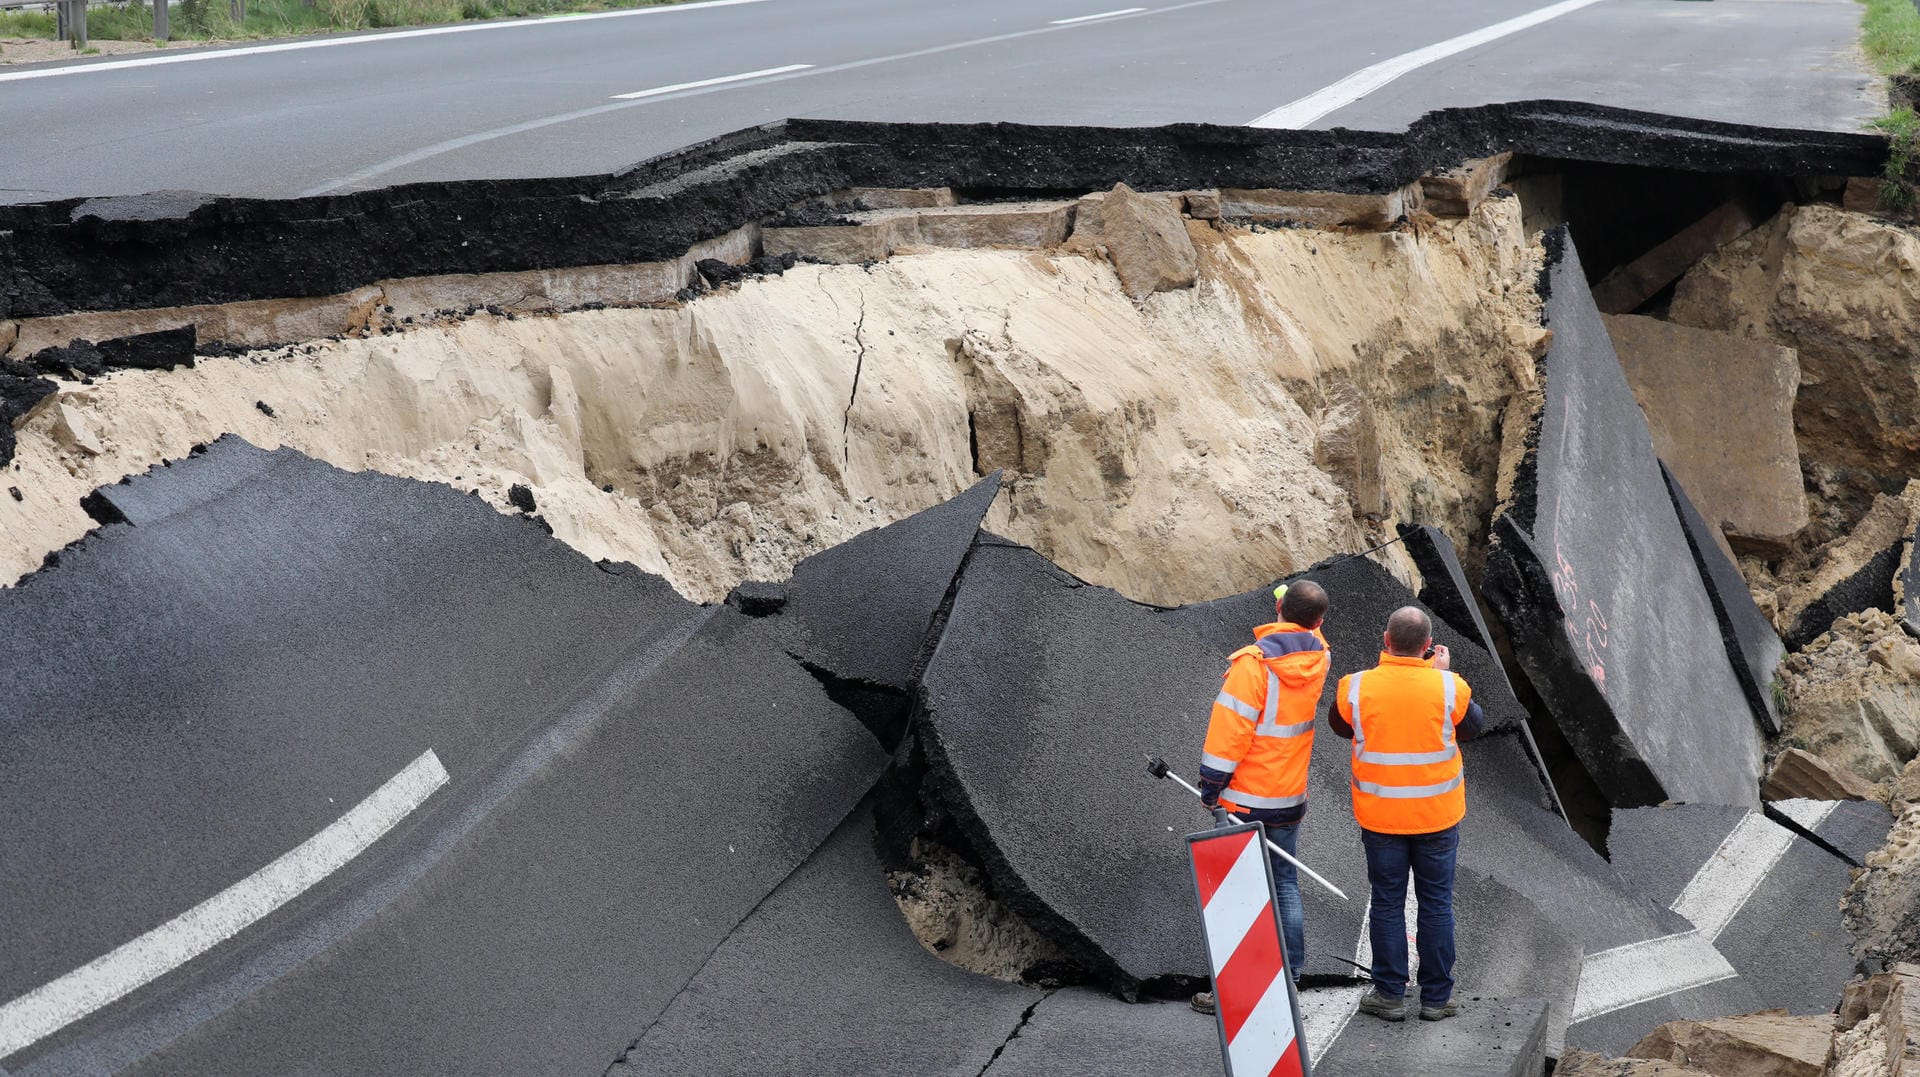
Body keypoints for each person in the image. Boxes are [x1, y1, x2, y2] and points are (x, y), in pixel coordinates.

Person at [1332, 606, 1484, 1023]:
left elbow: (1342, 726)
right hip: (1437, 817)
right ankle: (1436, 999)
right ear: (1427, 646)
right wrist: (1440, 672)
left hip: (1381, 818)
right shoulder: (1450, 687)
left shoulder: (1356, 686)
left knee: (1387, 902)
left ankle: (1389, 994)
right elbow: (1470, 728)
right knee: (1436, 903)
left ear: (1386, 640)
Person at [1190, 579, 1331, 1016]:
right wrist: (1291, 613)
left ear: (1279, 611)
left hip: (1243, 799)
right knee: (1284, 884)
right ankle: (1288, 979)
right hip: (1288, 798)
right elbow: (1311, 629)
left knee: (1238, 893)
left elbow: (1229, 733)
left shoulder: (1253, 665)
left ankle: (1231, 992)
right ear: (1319, 621)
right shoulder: (1318, 657)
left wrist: (1210, 785)